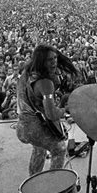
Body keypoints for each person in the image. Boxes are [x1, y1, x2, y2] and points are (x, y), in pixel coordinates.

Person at [15, 44, 78, 176]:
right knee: (60, 149)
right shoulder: (45, 83)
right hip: (34, 128)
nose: (54, 62)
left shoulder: (27, 72)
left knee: (39, 148)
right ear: (41, 61)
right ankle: (52, 187)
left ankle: (33, 181)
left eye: (55, 58)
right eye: (49, 60)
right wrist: (66, 109)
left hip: (22, 126)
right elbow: (51, 114)